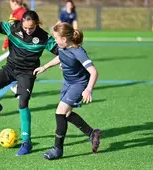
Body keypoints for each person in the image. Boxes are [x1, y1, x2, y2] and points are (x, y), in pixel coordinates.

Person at [0, 8, 58, 156]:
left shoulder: (44, 38)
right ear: (21, 22)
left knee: (23, 103)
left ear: (37, 24)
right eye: (26, 27)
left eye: (32, 28)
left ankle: (26, 142)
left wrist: (63, 61)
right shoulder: (13, 28)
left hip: (27, 73)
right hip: (10, 68)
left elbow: (60, 51)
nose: (29, 30)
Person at [33, 22, 101, 160]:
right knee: (67, 114)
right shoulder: (62, 47)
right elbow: (60, 57)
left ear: (64, 39)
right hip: (68, 84)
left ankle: (58, 149)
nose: (55, 40)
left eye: (56, 38)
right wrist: (45, 67)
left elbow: (94, 72)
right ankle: (92, 133)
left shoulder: (78, 51)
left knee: (60, 113)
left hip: (79, 84)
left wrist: (88, 89)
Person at [2, 0, 29, 96]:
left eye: (10, 2)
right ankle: (20, 90)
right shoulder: (22, 12)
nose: (9, 4)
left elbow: (10, 30)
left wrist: (5, 43)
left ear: (14, 2)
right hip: (22, 45)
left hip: (18, 46)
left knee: (16, 68)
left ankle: (19, 89)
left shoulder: (18, 14)